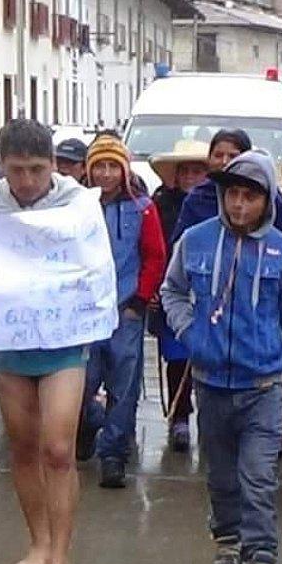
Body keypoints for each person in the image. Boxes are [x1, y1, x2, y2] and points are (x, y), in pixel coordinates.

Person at [0, 118, 100, 564]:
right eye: (17, 170)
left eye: (37, 169)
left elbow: (95, 265)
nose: (28, 180)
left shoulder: (78, 203)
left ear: (54, 165)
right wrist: (1, 266)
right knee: (23, 444)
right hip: (11, 338)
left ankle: (61, 558)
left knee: (58, 448)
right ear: (2, 167)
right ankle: (38, 540)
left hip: (63, 339)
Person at [160, 150, 282, 564]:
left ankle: (261, 560)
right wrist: (191, 333)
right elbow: (172, 290)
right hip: (211, 384)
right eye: (233, 195)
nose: (240, 205)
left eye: (250, 197)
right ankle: (227, 539)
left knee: (259, 476)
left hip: (264, 385)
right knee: (222, 473)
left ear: (267, 202)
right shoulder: (195, 240)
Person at [80, 135, 166, 488]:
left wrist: (140, 300)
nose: (105, 174)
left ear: (124, 170)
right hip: (85, 312)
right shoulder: (78, 206)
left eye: (112, 166)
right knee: (82, 381)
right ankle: (88, 423)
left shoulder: (142, 208)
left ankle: (113, 453)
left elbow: (154, 255)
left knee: (124, 384)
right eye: (98, 166)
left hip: (125, 309)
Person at [146, 139, 212, 451]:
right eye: (184, 171)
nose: (190, 177)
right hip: (173, 290)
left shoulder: (221, 204)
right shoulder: (160, 204)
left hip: (212, 292)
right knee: (176, 356)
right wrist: (155, 288)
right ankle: (180, 416)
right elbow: (154, 250)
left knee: (213, 358)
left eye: (197, 171)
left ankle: (212, 421)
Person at [171, 129, 282, 244]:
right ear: (209, 159)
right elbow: (181, 246)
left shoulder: (268, 195)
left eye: (233, 156)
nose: (224, 161)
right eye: (218, 155)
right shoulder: (198, 198)